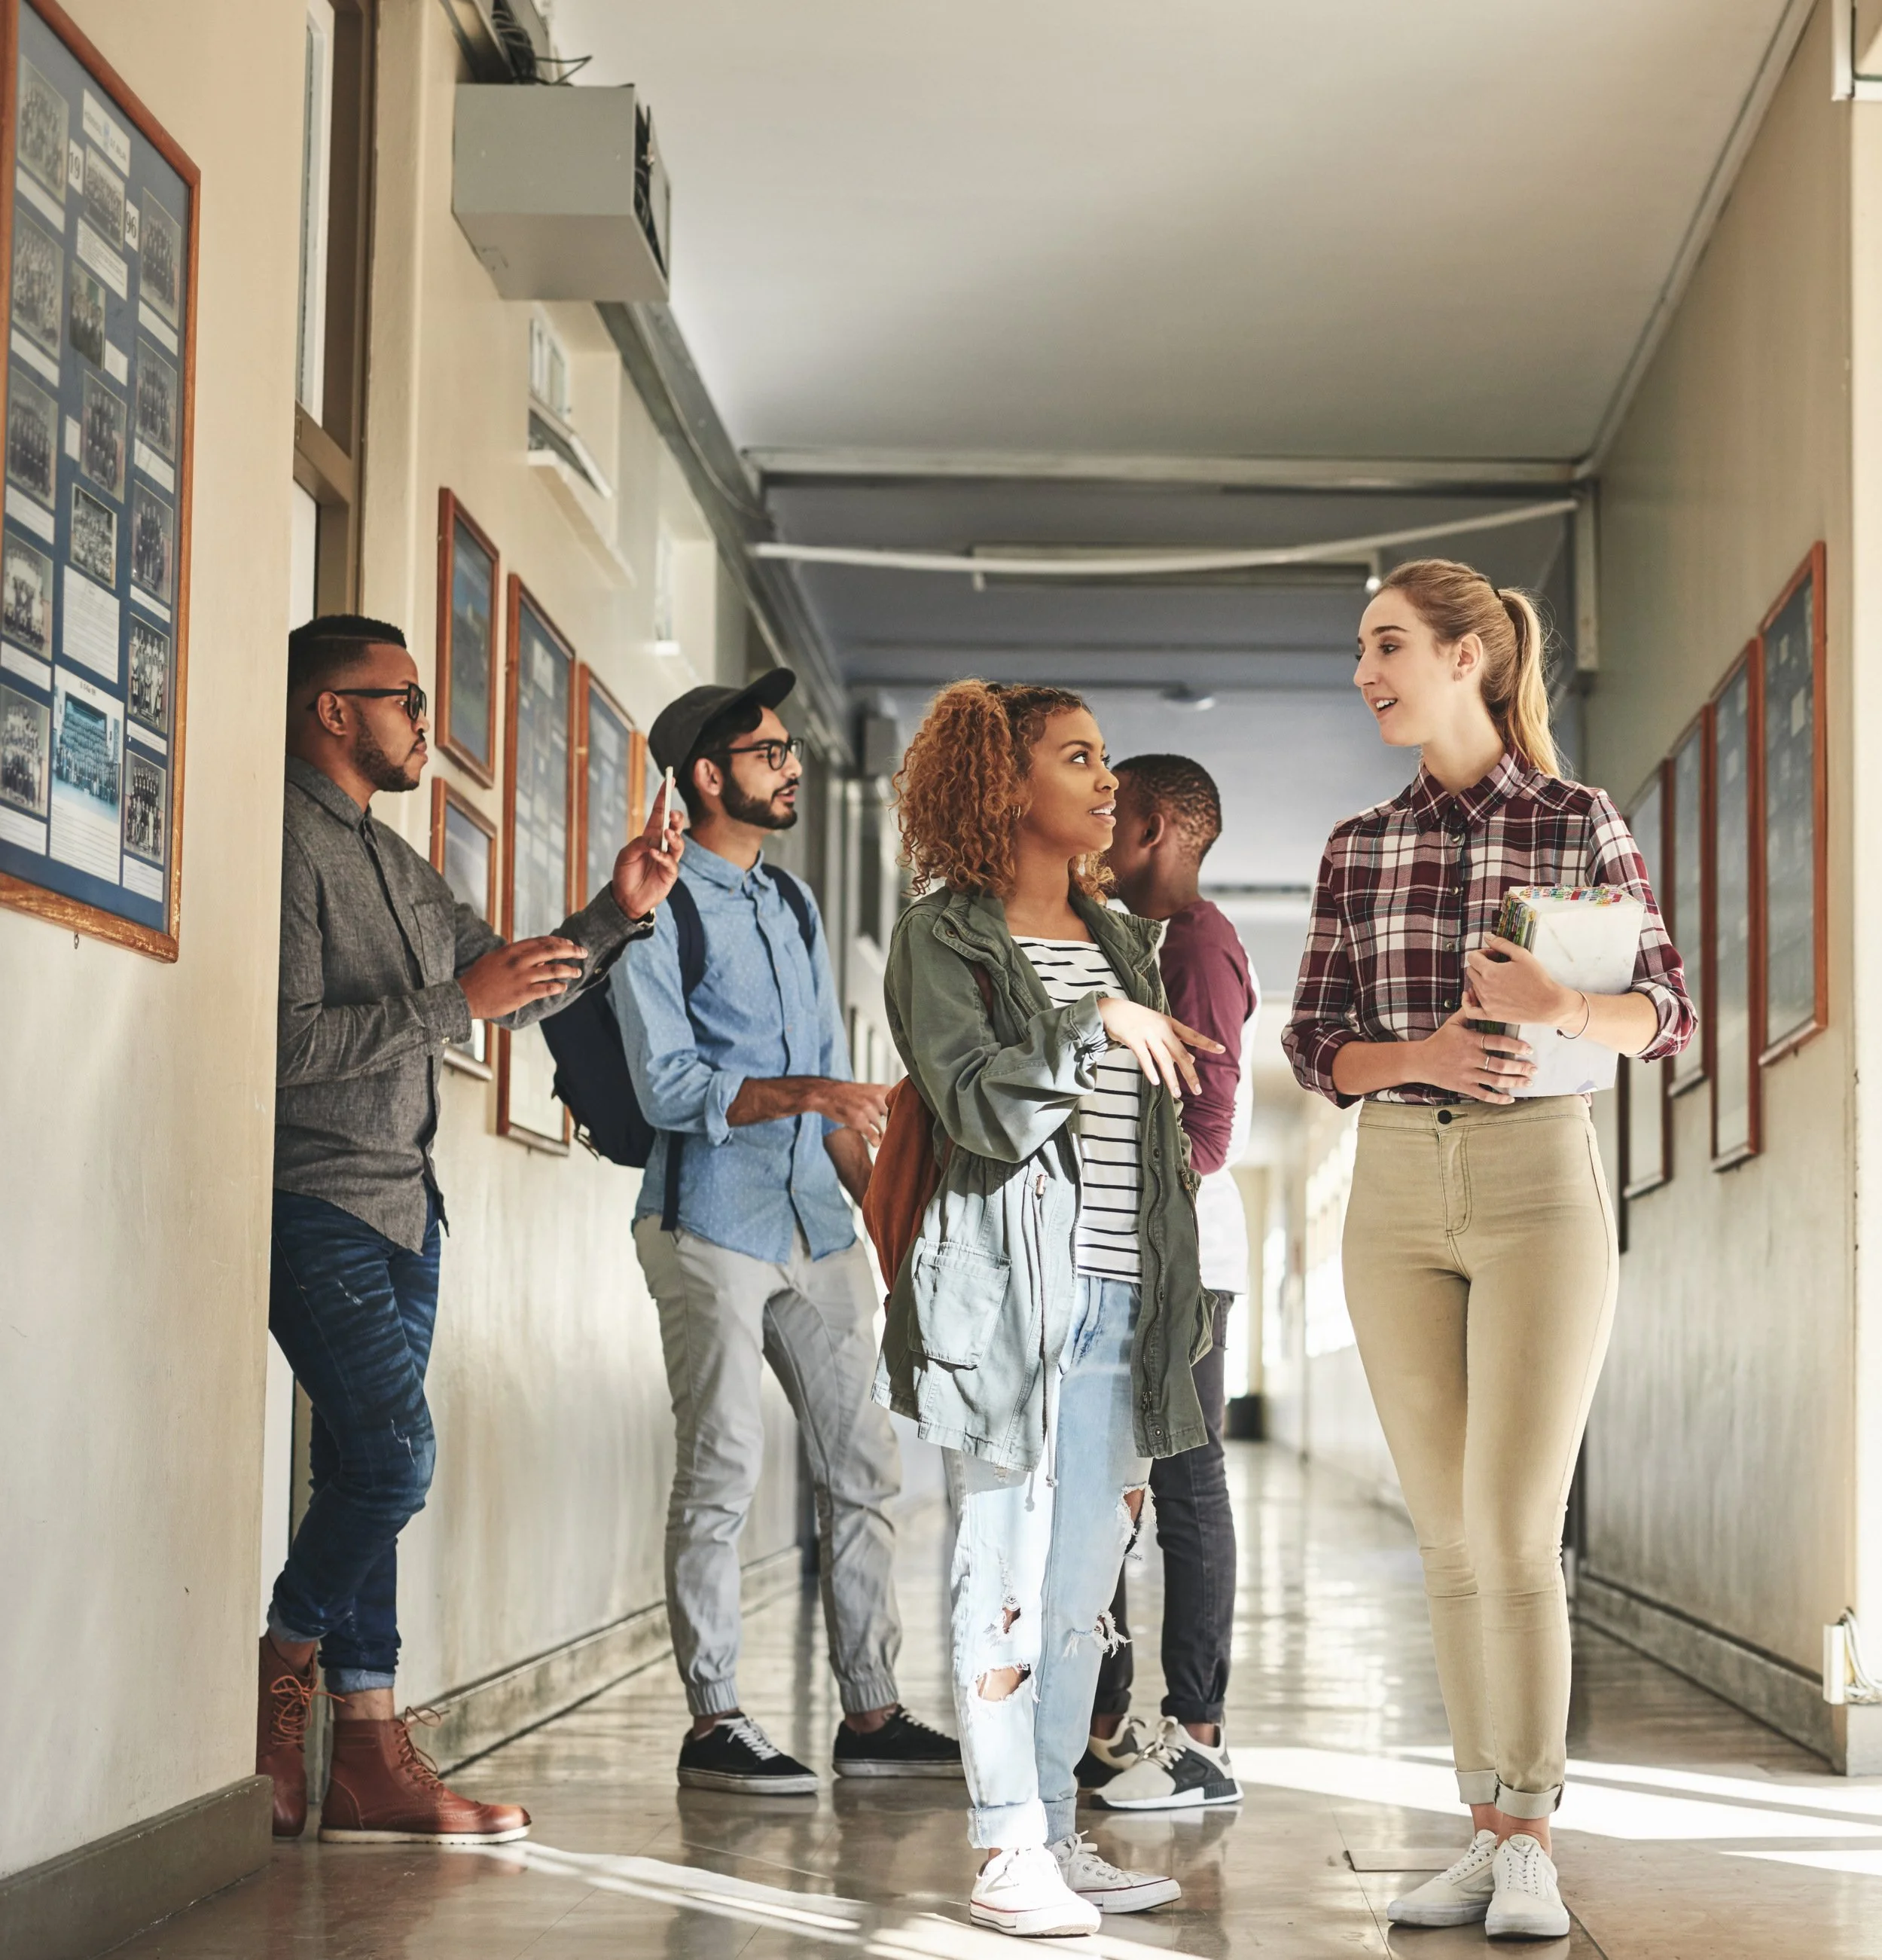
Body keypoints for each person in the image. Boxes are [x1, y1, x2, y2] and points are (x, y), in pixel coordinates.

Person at [1283, 560, 1694, 1939]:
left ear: (1468, 657)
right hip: (1395, 1184)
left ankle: (1530, 1835)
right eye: (1359, 650)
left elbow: (1667, 1015)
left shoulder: (1579, 820)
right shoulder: (1355, 844)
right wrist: (1427, 1049)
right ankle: (1481, 1828)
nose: (1364, 672)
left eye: (1386, 645)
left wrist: (1563, 999)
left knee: (1517, 1530)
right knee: (1448, 1536)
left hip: (1537, 1182)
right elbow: (1312, 1047)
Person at [263, 614, 685, 1844]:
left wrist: (615, 909)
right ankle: (279, 1677)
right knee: (396, 1461)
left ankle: (367, 1753)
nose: (422, 723)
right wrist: (456, 1000)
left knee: (360, 1474)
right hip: (315, 1200)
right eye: (401, 698)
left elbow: (516, 977)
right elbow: (283, 1044)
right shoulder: (282, 837)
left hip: (408, 1206)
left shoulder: (398, 866)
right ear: (331, 710)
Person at [879, 681, 1223, 1939]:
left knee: (1083, 1583)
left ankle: (1058, 1831)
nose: (1105, 782)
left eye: (1105, 759)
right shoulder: (942, 938)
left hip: (1124, 1307)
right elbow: (975, 1106)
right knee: (1001, 1574)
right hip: (1007, 1307)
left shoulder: (1118, 934)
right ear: (1003, 784)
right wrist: (1095, 1024)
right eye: (1078, 757)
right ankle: (1003, 1845)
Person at [612, 670, 962, 1796]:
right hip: (706, 1220)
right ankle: (714, 1718)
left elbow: (839, 1099)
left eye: (786, 747)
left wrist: (890, 1233)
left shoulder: (798, 905)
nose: (789, 763)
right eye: (765, 751)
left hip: (815, 1221)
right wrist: (811, 1093)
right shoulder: (654, 904)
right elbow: (669, 1087)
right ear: (706, 776)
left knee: (865, 1463)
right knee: (720, 1468)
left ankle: (872, 1708)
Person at [1077, 754, 1255, 1812]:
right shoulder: (1135, 939)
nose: (1097, 824)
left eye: (1113, 810)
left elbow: (1206, 1130)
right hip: (1134, 1252)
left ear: (1153, 827)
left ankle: (1198, 1736)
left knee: (1184, 1486)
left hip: (1184, 1262)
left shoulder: (1195, 945)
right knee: (1111, 1484)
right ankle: (1105, 1718)